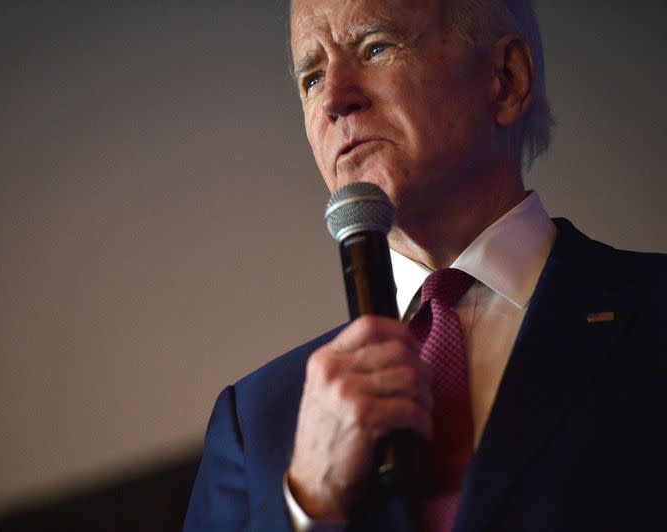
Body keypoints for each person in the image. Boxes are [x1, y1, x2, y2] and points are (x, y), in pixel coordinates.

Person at [184, 0, 667, 530]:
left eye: (374, 48)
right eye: (312, 77)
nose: (335, 101)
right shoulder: (254, 423)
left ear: (506, 79)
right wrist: (307, 505)